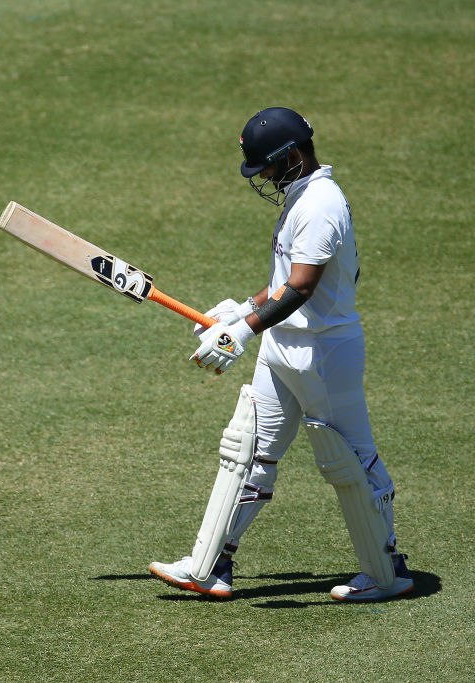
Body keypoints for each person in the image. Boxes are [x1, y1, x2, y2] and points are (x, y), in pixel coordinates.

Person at [148, 107, 413, 602]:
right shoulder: (299, 198)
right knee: (248, 451)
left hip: (324, 354)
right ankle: (210, 567)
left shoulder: (320, 205)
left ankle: (387, 569)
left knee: (351, 462)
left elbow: (303, 288)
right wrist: (244, 310)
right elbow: (281, 285)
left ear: (292, 156)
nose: (264, 176)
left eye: (267, 166)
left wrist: (242, 333)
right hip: (281, 346)